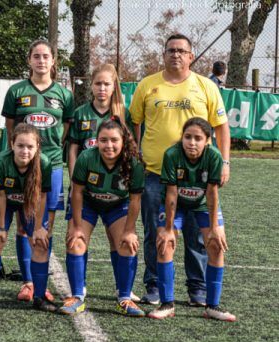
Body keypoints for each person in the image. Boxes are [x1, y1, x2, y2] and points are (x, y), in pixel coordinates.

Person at [129, 33, 231, 306]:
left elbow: (221, 127)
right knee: (156, 231)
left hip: (197, 177)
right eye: (171, 50)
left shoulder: (205, 86)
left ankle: (196, 288)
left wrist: (224, 161)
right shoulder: (147, 85)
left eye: (181, 50)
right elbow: (134, 121)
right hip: (154, 172)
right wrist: (136, 152)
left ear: (190, 56)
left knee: (196, 235)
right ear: (164, 55)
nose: (175, 54)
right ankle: (154, 285)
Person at [2, 39, 74, 302]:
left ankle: (41, 281)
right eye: (36, 56)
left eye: (46, 56)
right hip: (24, 167)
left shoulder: (64, 95)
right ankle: (29, 283)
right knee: (23, 226)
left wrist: (49, 151)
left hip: (52, 164)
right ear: (29, 60)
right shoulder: (17, 91)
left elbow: (65, 130)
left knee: (44, 224)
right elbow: (11, 128)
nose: (41, 61)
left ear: (53, 61)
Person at [148, 117, 235, 322]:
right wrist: (168, 228)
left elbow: (212, 193)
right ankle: (167, 304)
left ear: (207, 140)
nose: (192, 142)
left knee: (216, 245)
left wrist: (214, 227)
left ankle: (212, 306)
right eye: (188, 137)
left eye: (198, 138)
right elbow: (171, 194)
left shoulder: (213, 156)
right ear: (182, 138)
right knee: (165, 244)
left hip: (202, 204)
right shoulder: (171, 154)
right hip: (175, 204)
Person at [66, 63, 139, 302]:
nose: (102, 88)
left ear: (114, 86)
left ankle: (123, 290)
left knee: (119, 239)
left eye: (107, 83)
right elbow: (74, 146)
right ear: (91, 86)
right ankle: (79, 289)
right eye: (98, 83)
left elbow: (130, 149)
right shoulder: (81, 113)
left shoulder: (122, 113)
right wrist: (76, 174)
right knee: (75, 237)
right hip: (86, 186)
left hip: (115, 190)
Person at [63, 118, 145, 317]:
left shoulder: (134, 163)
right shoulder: (86, 158)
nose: (109, 145)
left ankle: (124, 298)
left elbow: (135, 200)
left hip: (118, 205)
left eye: (114, 140)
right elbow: (77, 192)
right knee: (76, 241)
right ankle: (77, 296)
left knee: (127, 243)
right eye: (104, 140)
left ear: (123, 141)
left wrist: (130, 230)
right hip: (89, 203)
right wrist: (75, 226)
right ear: (97, 141)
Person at [0, 123, 52, 312]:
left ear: (37, 148)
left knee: (40, 243)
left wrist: (39, 228)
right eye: (20, 146)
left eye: (30, 147)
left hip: (30, 201)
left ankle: (39, 296)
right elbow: (0, 196)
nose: (25, 151)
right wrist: (0, 227)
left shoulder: (44, 163)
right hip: (3, 201)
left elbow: (42, 196)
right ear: (12, 144)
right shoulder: (0, 161)